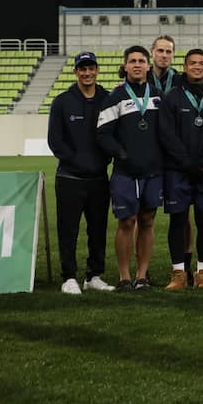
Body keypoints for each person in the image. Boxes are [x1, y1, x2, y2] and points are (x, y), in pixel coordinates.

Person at [158, 49, 203, 290]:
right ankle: (178, 273)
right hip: (178, 170)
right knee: (178, 220)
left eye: (202, 63)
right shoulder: (171, 97)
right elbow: (166, 134)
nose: (197, 67)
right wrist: (186, 162)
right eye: (193, 63)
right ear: (185, 67)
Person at [96, 46, 165, 291]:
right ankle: (124, 276)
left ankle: (142, 275)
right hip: (125, 171)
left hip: (154, 171)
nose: (137, 65)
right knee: (127, 221)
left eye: (141, 61)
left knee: (147, 220)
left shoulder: (157, 96)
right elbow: (103, 134)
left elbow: (166, 133)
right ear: (125, 66)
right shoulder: (115, 97)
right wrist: (121, 153)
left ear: (148, 66)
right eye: (132, 61)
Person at [47, 51, 115, 294]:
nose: (87, 73)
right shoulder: (62, 102)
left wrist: (103, 160)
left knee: (98, 229)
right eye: (82, 69)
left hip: (98, 178)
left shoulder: (108, 99)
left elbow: (115, 133)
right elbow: (55, 141)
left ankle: (94, 275)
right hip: (70, 179)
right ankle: (69, 277)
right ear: (75, 71)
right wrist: (77, 162)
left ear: (97, 70)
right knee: (68, 229)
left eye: (91, 68)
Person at [149, 34, 193, 285]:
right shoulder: (142, 78)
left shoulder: (182, 80)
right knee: (146, 215)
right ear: (152, 52)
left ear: (173, 55)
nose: (164, 55)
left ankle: (183, 268)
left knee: (183, 214)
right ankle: (143, 272)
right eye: (160, 51)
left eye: (169, 51)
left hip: (176, 156)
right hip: (151, 155)